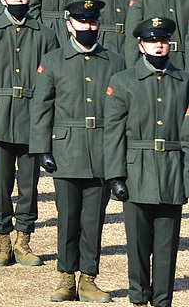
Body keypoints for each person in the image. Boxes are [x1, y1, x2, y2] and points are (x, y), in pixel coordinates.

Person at [32, 0, 126, 303]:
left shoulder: (115, 61)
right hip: (66, 150)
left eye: (93, 22)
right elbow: (42, 108)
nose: (88, 27)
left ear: (99, 24)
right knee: (68, 220)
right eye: (81, 22)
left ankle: (88, 279)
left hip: (101, 152)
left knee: (93, 221)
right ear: (69, 24)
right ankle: (65, 278)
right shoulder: (53, 60)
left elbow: (124, 112)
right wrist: (42, 148)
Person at [0, 0, 60, 267]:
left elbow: (54, 82)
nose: (19, 1)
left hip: (34, 118)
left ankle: (24, 239)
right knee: (2, 184)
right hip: (1, 116)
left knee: (29, 185)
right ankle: (3, 240)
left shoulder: (45, 35)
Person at [105, 17, 189, 307]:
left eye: (163, 41)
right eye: (152, 41)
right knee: (139, 245)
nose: (158, 46)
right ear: (140, 45)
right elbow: (113, 132)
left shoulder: (184, 81)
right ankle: (139, 298)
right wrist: (115, 175)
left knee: (167, 247)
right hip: (136, 170)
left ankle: (163, 301)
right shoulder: (122, 82)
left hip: (172, 171)